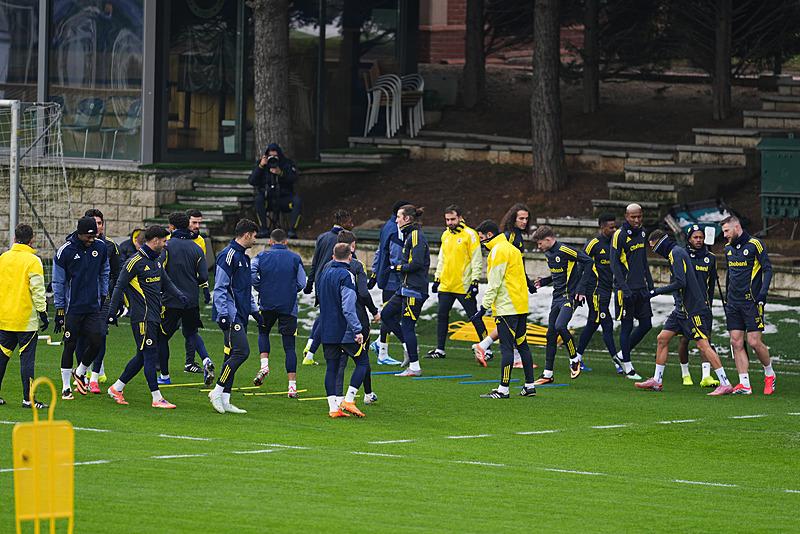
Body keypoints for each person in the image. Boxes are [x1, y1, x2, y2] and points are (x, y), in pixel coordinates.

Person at [634, 230, 733, 395]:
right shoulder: (676, 253)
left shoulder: (676, 254)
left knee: (703, 345)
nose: (655, 251)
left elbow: (680, 282)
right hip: (681, 309)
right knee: (662, 338)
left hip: (692, 309)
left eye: (654, 247)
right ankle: (657, 380)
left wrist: (655, 292)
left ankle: (725, 383)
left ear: (661, 242)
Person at [106, 225, 188, 408]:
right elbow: (119, 286)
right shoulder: (134, 262)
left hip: (154, 315)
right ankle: (157, 398)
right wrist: (112, 313)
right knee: (150, 355)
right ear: (155, 240)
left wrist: (179, 295)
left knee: (142, 356)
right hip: (142, 317)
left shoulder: (156, 260)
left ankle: (117, 388)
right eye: (164, 241)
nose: (166, 244)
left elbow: (166, 281)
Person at [471, 220, 537, 398]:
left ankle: (503, 389)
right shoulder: (513, 249)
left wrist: (483, 308)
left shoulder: (497, 251)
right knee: (522, 345)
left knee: (507, 348)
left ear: (489, 235)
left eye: (481, 238)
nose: (481, 242)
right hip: (521, 305)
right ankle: (529, 386)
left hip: (507, 307)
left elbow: (494, 283)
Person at [208, 219, 264, 414]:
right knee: (241, 352)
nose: (255, 240)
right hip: (231, 316)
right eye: (254, 236)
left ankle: (225, 400)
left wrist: (254, 311)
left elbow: (245, 290)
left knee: (230, 355)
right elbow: (220, 287)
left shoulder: (244, 258)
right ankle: (216, 391)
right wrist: (223, 314)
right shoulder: (228, 255)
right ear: (247, 235)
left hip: (241, 314)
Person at [53, 216, 109, 400]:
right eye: (88, 237)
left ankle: (80, 371)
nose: (92, 240)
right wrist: (60, 309)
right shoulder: (65, 251)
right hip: (72, 308)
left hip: (92, 306)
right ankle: (66, 387)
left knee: (97, 343)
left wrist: (103, 294)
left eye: (94, 236)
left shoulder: (100, 247)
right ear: (79, 233)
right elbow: (58, 281)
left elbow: (104, 271)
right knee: (70, 345)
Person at [156, 211, 214, 387]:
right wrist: (196, 285)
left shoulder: (167, 246)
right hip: (191, 300)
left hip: (172, 300)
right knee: (191, 333)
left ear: (171, 227)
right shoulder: (197, 247)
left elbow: (160, 270)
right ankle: (206, 360)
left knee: (162, 337)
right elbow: (203, 276)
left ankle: (164, 376)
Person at [720, 215, 776, 395]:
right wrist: (727, 297)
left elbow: (768, 269)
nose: (725, 235)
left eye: (727, 231)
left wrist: (763, 293)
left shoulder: (755, 244)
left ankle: (769, 374)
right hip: (733, 302)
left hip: (752, 301)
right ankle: (744, 383)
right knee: (735, 342)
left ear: (737, 227)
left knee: (753, 342)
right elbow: (729, 274)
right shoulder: (728, 248)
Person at [531, 225, 593, 384]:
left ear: (548, 240)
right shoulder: (548, 253)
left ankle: (574, 359)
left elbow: (588, 261)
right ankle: (547, 374)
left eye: (540, 243)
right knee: (550, 334)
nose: (539, 247)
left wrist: (581, 288)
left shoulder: (565, 250)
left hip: (570, 297)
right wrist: (545, 281)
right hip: (556, 297)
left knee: (560, 326)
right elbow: (559, 273)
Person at [251, 228, 307, 398]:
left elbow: (251, 272)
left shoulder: (261, 256)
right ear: (286, 242)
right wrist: (290, 290)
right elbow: (302, 282)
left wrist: (260, 287)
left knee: (263, 332)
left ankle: (264, 365)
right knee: (289, 346)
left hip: (267, 303)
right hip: (288, 306)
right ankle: (292, 387)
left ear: (270, 241)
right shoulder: (295, 258)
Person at [426, 205, 486, 359]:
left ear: (460, 217)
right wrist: (437, 279)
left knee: (474, 316)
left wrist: (475, 282)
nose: (450, 222)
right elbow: (442, 259)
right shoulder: (445, 235)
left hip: (463, 286)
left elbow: (477, 260)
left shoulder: (470, 234)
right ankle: (440, 350)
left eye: (452, 219)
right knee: (442, 317)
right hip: (446, 285)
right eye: (447, 220)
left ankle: (487, 349)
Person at [0, 224, 50, 408]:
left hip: (5, 319)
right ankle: (28, 399)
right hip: (26, 321)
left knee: (2, 358)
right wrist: (43, 313)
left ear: (14, 239)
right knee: (27, 361)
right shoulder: (33, 260)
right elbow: (38, 290)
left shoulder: (3, 258)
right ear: (32, 240)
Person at [317, 242, 368, 417]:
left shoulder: (323, 274)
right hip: (344, 329)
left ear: (333, 257)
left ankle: (333, 408)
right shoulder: (347, 275)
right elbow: (348, 307)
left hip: (327, 328)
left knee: (332, 368)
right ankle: (349, 400)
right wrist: (357, 329)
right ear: (350, 257)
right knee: (363, 362)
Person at [75, 208, 122, 393]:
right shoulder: (75, 245)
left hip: (102, 300)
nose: (97, 227)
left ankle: (94, 377)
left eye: (100, 223)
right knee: (80, 339)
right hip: (80, 299)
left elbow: (117, 273)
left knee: (100, 336)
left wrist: (117, 298)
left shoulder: (109, 245)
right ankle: (82, 375)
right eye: (94, 223)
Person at [382, 204, 430, 378]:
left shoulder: (416, 235)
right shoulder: (410, 234)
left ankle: (415, 367)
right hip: (405, 288)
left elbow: (417, 263)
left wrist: (396, 268)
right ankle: (408, 347)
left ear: (407, 219)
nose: (396, 221)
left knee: (408, 326)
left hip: (414, 290)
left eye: (399, 217)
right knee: (386, 314)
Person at [301, 209, 353, 365]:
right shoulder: (343, 240)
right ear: (342, 222)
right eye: (349, 222)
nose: (352, 224)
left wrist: (310, 282)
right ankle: (310, 353)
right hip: (334, 282)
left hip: (320, 281)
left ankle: (310, 347)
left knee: (324, 315)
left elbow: (315, 262)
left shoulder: (322, 237)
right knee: (326, 317)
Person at [335, 230, 379, 405]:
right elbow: (363, 292)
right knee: (363, 358)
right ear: (353, 245)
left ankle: (337, 398)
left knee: (340, 360)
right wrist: (374, 311)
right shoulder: (357, 265)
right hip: (357, 317)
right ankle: (365, 394)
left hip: (336, 319)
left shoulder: (329, 265)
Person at [609, 203, 653, 380]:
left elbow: (643, 260)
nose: (636, 220)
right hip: (625, 289)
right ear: (626, 217)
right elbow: (614, 264)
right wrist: (624, 288)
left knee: (646, 324)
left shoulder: (642, 232)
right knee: (627, 326)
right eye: (633, 217)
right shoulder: (619, 235)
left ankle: (621, 355)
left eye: (639, 216)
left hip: (641, 287)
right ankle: (628, 367)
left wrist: (650, 283)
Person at [574, 214, 620, 372]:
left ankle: (576, 359)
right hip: (594, 290)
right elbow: (581, 266)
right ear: (602, 228)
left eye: (616, 227)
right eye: (611, 227)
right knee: (607, 323)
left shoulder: (616, 243)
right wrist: (579, 289)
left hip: (607, 290)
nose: (615, 230)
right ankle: (618, 362)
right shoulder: (593, 244)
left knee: (593, 323)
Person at [368, 199, 409, 366]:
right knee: (390, 315)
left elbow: (380, 250)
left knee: (392, 314)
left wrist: (375, 273)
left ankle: (380, 344)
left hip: (387, 277)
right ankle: (382, 352)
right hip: (394, 279)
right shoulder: (396, 229)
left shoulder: (387, 226)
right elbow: (396, 255)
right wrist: (402, 273)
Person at [677, 224, 719, 387]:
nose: (699, 240)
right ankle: (685, 374)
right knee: (684, 340)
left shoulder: (710, 258)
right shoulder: (682, 255)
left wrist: (709, 304)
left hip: (703, 308)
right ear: (689, 239)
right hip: (686, 307)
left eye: (701, 237)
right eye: (695, 237)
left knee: (705, 341)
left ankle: (706, 376)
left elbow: (711, 285)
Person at [248, 143, 302, 239]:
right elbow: (252, 181)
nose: (273, 158)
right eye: (270, 156)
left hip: (284, 197)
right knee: (258, 199)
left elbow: (294, 178)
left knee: (297, 200)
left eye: (275, 156)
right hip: (268, 198)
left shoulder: (286, 163)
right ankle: (263, 229)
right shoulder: (261, 164)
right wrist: (261, 166)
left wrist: (281, 173)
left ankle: (292, 231)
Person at [183, 208, 209, 373]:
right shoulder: (171, 240)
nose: (197, 226)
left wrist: (204, 287)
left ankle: (190, 363)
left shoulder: (200, 241)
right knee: (165, 329)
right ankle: (157, 360)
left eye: (199, 223)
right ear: (186, 222)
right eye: (194, 222)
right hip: (172, 292)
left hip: (191, 292)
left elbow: (202, 268)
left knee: (191, 328)